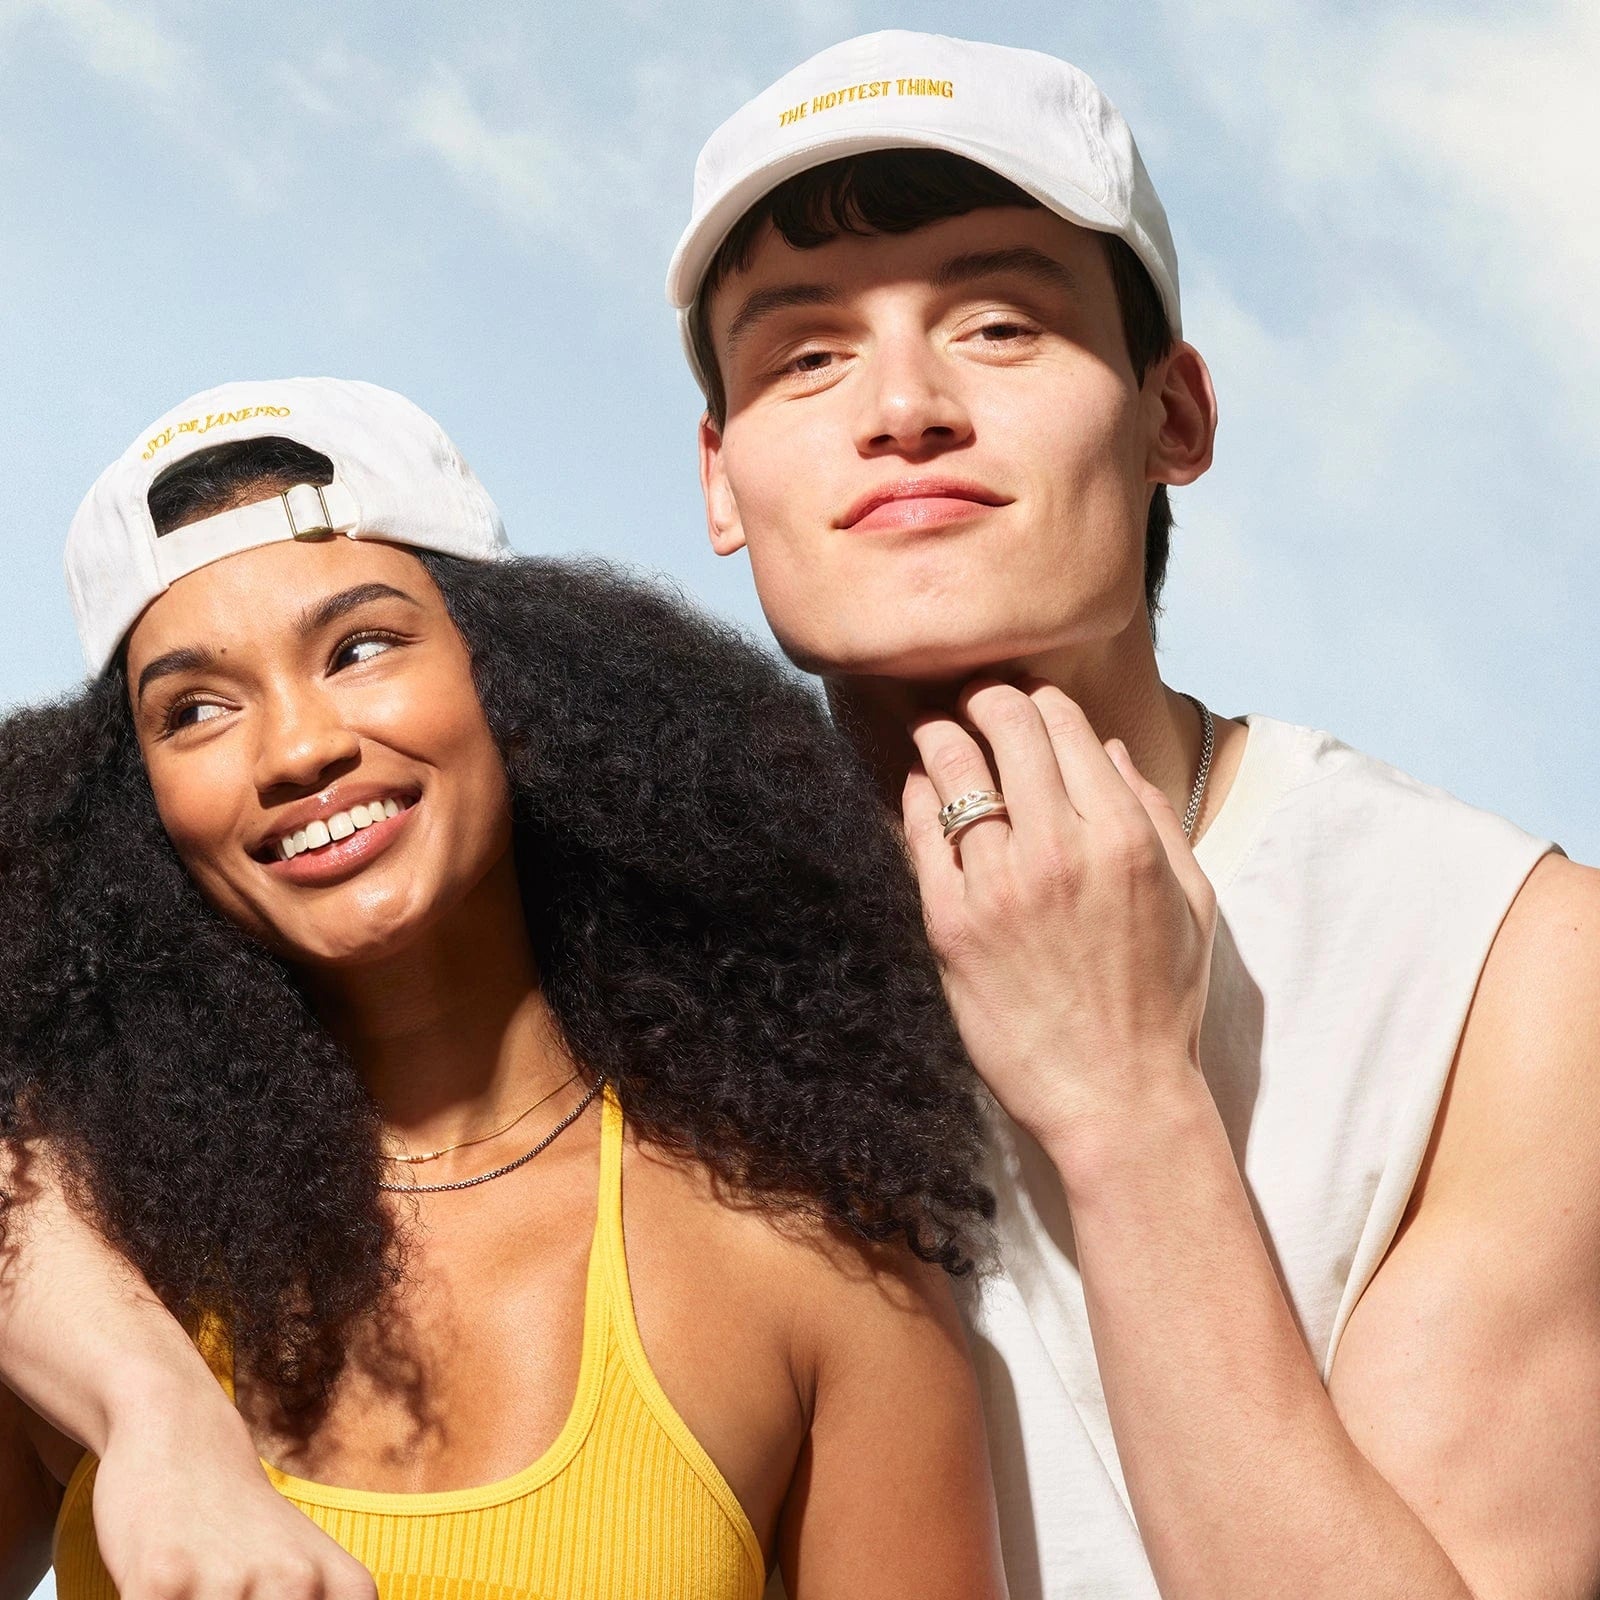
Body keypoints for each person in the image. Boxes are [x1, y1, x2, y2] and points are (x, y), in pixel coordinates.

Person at [3, 27, 1599, 1600]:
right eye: (806, 354)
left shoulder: (1499, 968)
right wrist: (151, 1406)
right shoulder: (579, 919)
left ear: (1172, 414)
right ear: (719, 477)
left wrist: (1127, 1109)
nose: (902, 405)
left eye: (1000, 323)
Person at [0, 377, 1008, 1600]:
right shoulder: (80, 1252)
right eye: (196, 709)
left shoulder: (815, 1266)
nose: (298, 748)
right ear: (134, 811)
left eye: (361, 647)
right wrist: (156, 1409)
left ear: (524, 683)